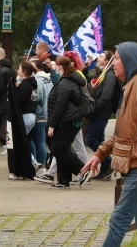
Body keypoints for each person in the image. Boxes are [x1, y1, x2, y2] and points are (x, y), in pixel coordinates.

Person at [81, 42, 137, 247]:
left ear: (129, 61)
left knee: (118, 219)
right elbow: (124, 132)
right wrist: (99, 154)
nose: (113, 63)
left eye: (118, 59)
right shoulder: (132, 85)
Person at [47, 55, 88, 188]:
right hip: (71, 119)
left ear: (59, 66)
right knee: (62, 148)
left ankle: (83, 170)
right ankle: (63, 180)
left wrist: (52, 125)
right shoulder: (70, 80)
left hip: (67, 120)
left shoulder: (65, 83)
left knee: (58, 149)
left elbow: (60, 105)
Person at [85, 50, 120, 180]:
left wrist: (94, 108)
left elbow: (106, 95)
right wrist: (85, 67)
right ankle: (105, 170)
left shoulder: (109, 75)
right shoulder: (101, 73)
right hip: (97, 111)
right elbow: (86, 80)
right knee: (99, 140)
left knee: (90, 139)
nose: (97, 58)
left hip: (100, 112)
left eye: (100, 57)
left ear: (106, 61)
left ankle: (108, 162)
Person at [16, 62, 41, 172]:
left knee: (19, 142)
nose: (18, 70)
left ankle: (33, 162)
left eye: (19, 68)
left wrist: (15, 91)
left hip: (25, 115)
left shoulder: (26, 84)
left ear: (24, 71)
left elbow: (20, 99)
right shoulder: (32, 83)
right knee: (24, 140)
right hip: (31, 115)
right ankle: (30, 163)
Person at [30, 60, 52, 174]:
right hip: (47, 113)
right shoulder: (48, 79)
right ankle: (41, 165)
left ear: (37, 69)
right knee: (40, 142)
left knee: (37, 142)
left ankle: (40, 166)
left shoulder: (38, 80)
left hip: (39, 114)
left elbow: (38, 97)